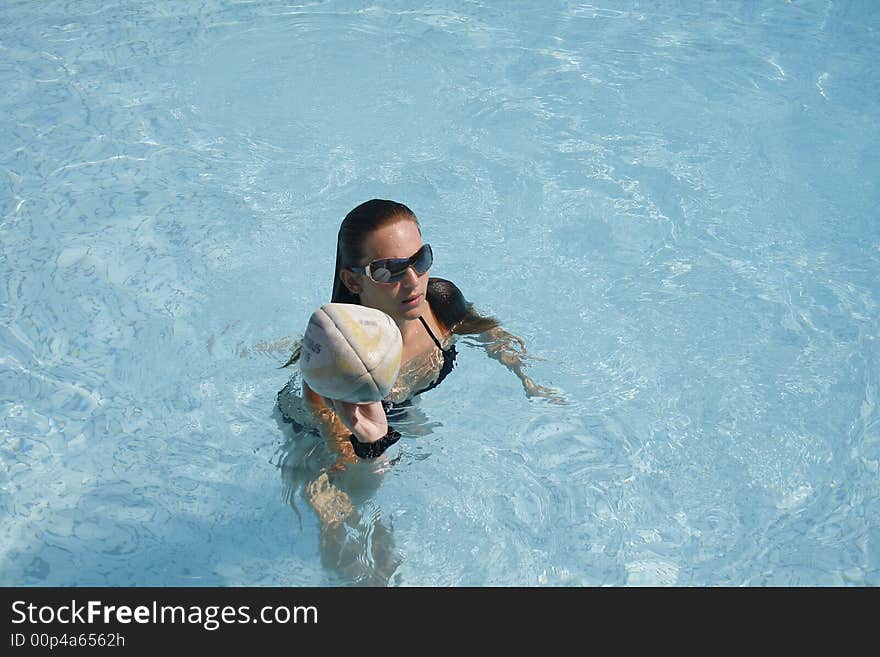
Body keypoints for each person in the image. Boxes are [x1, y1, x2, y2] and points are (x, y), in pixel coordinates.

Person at [275, 198, 559, 584]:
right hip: (318, 434)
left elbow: (490, 332)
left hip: (398, 410)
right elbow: (343, 451)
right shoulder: (340, 363)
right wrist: (364, 455)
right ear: (353, 280)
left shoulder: (440, 304)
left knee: (391, 551)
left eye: (420, 259)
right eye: (387, 270)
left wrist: (527, 378)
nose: (412, 281)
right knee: (344, 529)